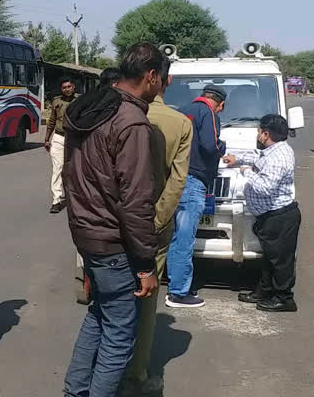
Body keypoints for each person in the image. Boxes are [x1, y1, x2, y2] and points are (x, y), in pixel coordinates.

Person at [62, 42, 164, 397]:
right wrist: (146, 264)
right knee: (120, 334)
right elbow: (136, 201)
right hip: (113, 241)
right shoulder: (132, 122)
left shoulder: (92, 109)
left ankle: (75, 391)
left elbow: (72, 176)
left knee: (100, 317)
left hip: (86, 231)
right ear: (151, 76)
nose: (161, 88)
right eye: (162, 80)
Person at [120, 56, 192, 396]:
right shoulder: (180, 122)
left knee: (112, 297)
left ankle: (107, 368)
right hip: (154, 225)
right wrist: (157, 221)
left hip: (115, 223)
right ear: (164, 80)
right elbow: (176, 183)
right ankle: (137, 373)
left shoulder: (118, 114)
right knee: (147, 302)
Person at [223, 114, 301, 312]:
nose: (257, 134)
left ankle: (284, 298)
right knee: (270, 257)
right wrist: (237, 157)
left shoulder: (280, 157)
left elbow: (265, 187)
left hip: (279, 216)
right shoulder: (273, 150)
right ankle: (264, 291)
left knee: (281, 261)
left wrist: (245, 171)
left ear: (266, 134)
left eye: (259, 131)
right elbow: (258, 156)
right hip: (270, 216)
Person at [165, 85, 226, 308]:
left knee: (174, 236)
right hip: (193, 181)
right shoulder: (207, 112)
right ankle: (179, 292)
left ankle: (173, 283)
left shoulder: (183, 110)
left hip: (175, 178)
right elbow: (210, 146)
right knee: (185, 238)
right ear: (220, 104)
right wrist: (223, 148)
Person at [45, 76, 77, 214]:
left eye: (69, 87)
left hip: (75, 139)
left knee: (73, 170)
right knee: (57, 169)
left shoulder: (80, 101)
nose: (67, 89)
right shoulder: (56, 101)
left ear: (73, 87)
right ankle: (56, 200)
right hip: (59, 137)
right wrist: (47, 139)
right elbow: (52, 120)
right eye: (64, 87)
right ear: (61, 89)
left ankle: (74, 198)